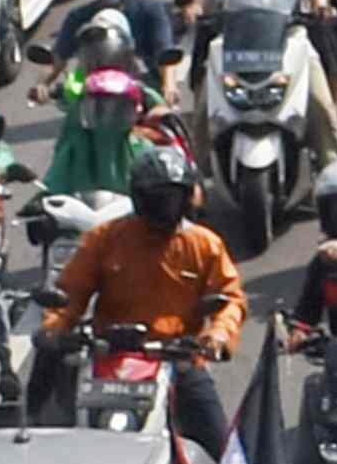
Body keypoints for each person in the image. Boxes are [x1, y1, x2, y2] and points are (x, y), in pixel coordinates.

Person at [53, 148, 256, 383]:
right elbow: (70, 291)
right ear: (140, 198)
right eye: (159, 198)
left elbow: (230, 298)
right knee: (54, 402)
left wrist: (218, 334)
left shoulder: (204, 244)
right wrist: (55, 328)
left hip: (179, 358)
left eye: (173, 198)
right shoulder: (105, 238)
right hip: (110, 354)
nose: (166, 206)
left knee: (211, 420)